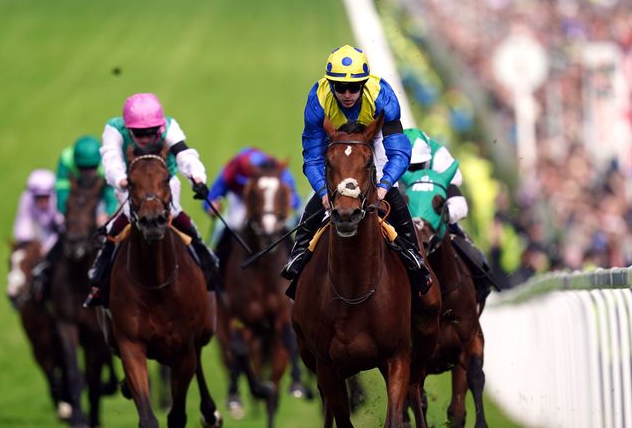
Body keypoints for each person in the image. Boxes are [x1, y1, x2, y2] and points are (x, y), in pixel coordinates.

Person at [279, 45, 431, 295]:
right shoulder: (318, 99)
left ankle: (414, 258)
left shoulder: (382, 96)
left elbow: (399, 151)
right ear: (331, 85)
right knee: (318, 196)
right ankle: (299, 255)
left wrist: (383, 186)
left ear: (364, 83)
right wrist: (323, 192)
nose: (347, 94)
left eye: (354, 87)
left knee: (389, 188)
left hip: (375, 139)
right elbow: (313, 157)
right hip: (338, 141)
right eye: (340, 87)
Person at [83, 93, 218, 307]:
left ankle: (207, 260)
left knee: (178, 216)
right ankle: (98, 278)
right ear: (128, 129)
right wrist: (122, 180)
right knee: (119, 223)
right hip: (132, 185)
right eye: (139, 134)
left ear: (160, 127)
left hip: (164, 183)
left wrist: (198, 179)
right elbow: (110, 159)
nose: (146, 138)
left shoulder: (170, 126)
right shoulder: (114, 129)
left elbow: (185, 155)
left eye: (151, 133)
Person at [404, 128, 497, 297]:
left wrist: (440, 216)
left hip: (435, 223)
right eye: (410, 166)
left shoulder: (440, 158)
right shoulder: (386, 158)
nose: (414, 170)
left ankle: (481, 280)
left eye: (418, 165)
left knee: (464, 244)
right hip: (402, 217)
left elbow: (460, 206)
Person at [32, 135, 120, 296]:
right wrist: (65, 213)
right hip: (75, 195)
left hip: (98, 195)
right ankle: (44, 276)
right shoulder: (66, 159)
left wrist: (106, 213)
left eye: (92, 168)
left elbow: (110, 192)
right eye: (84, 169)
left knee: (111, 230)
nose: (88, 173)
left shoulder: (106, 162)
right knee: (60, 236)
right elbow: (62, 187)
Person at [204, 147, 301, 268]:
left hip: (267, 198)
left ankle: (295, 262)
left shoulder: (277, 170)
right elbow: (214, 192)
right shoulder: (235, 167)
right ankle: (217, 267)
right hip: (241, 198)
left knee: (285, 225)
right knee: (230, 225)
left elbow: (293, 197)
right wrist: (210, 205)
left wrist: (293, 206)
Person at [12, 169, 62, 298]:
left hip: (57, 237)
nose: (42, 201)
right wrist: (32, 247)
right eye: (38, 197)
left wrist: (47, 247)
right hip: (40, 235)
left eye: (45, 197)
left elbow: (62, 227)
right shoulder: (26, 200)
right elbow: (23, 226)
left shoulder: (58, 200)